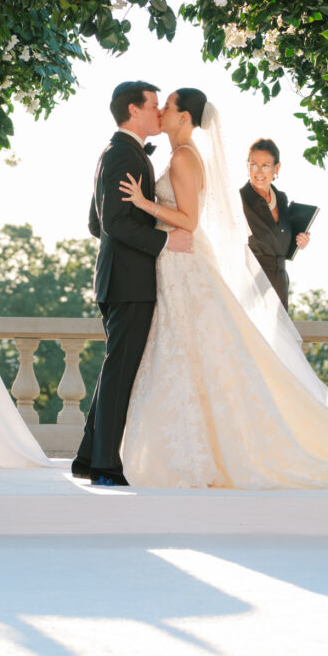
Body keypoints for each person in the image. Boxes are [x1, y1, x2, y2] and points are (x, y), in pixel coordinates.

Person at [116, 87, 328, 490]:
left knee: (188, 351)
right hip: (177, 265)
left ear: (185, 117)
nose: (162, 112)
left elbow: (188, 221)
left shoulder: (185, 157)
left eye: (168, 106)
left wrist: (143, 202)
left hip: (183, 262)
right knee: (185, 354)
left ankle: (201, 451)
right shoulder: (183, 157)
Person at [73, 82, 193, 487]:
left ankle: (89, 456)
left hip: (118, 277)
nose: (159, 112)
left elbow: (96, 223)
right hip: (129, 282)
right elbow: (112, 223)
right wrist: (163, 240)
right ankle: (106, 466)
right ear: (133, 110)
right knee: (120, 373)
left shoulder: (116, 151)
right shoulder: (125, 153)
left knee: (117, 369)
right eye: (154, 106)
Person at [239, 138, 310, 310]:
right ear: (247, 165)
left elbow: (280, 239)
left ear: (276, 168)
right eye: (254, 164)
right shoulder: (238, 199)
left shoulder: (281, 198)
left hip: (279, 283)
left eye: (265, 166)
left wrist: (300, 240)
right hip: (251, 285)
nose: (258, 172)